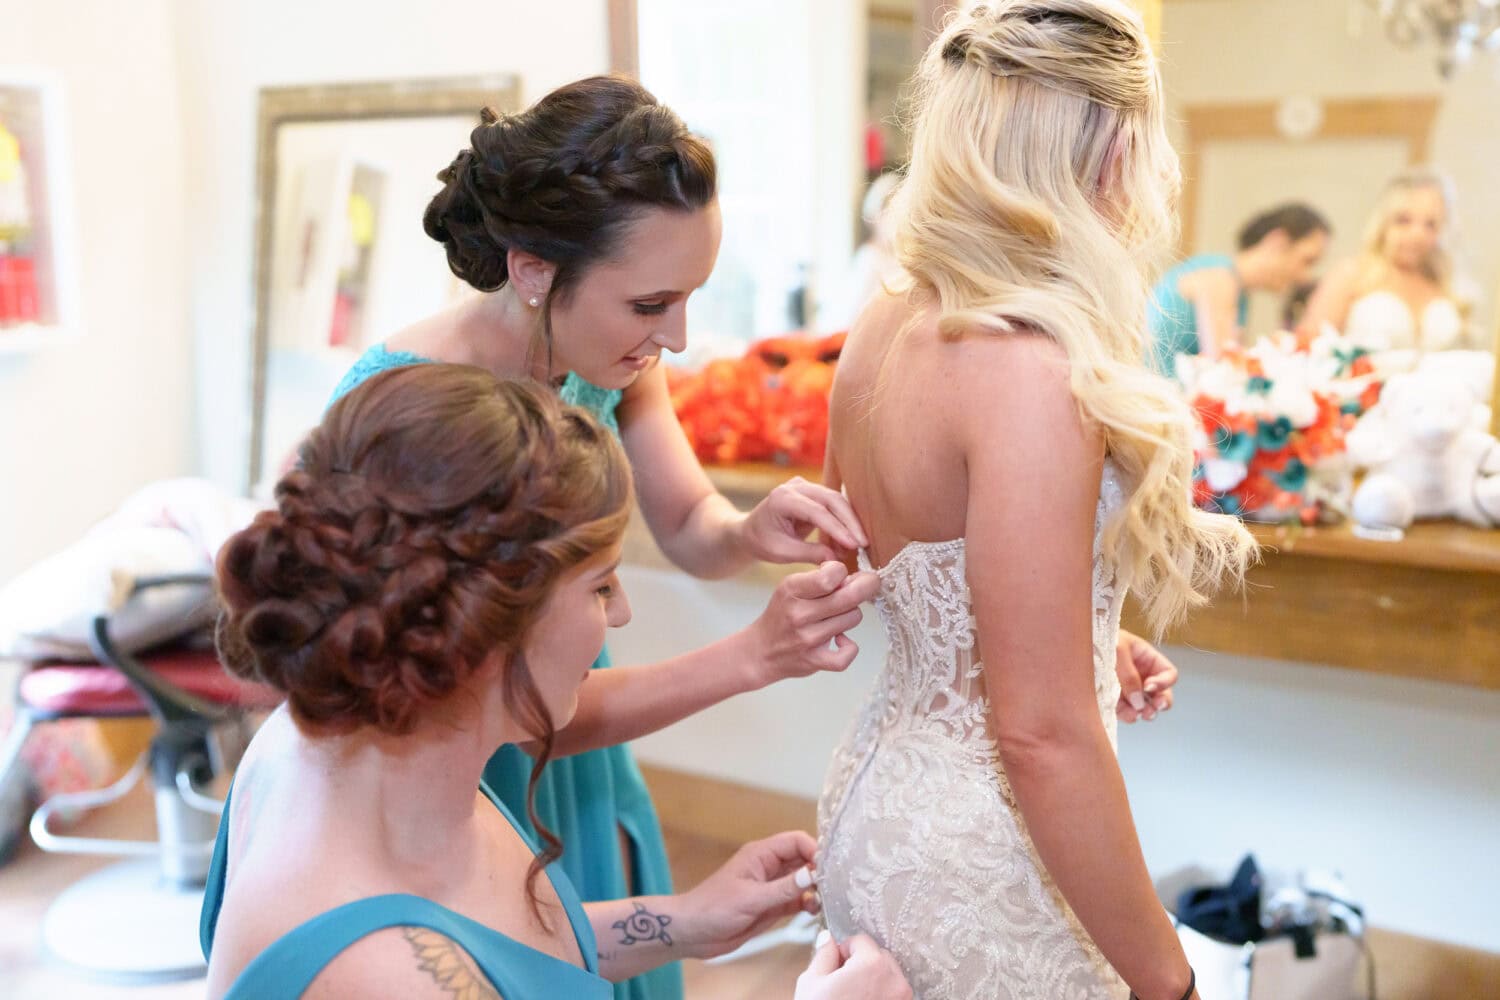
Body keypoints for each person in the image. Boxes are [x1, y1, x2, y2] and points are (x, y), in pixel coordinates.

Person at [328, 76, 879, 1000]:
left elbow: (693, 529)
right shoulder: (408, 415)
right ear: (535, 268)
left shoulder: (610, 362)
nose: (678, 333)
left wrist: (750, 529)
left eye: (690, 297)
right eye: (650, 303)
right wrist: (754, 654)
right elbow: (486, 708)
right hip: (456, 776)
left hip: (571, 728)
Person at [203, 364, 912, 1000]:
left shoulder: (344, 748)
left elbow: (492, 950)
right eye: (602, 587)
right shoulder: (379, 974)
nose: (623, 612)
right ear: (487, 622)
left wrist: (684, 921)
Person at [816, 3, 1255, 998]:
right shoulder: (1028, 363)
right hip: (988, 858)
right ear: (1111, 150)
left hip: (877, 809)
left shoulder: (887, 321)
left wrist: (1086, 632)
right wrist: (1168, 979)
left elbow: (898, 568)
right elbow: (1040, 736)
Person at [1147, 202, 1330, 376]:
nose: (1305, 277)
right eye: (1307, 261)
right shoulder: (1220, 278)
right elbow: (1224, 371)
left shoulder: (1237, 290)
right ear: (1278, 241)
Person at [1300, 168, 1470, 353]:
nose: (1417, 234)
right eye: (1404, 220)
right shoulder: (1352, 274)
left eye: (1430, 224)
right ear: (1384, 223)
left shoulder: (1443, 283)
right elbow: (1307, 346)